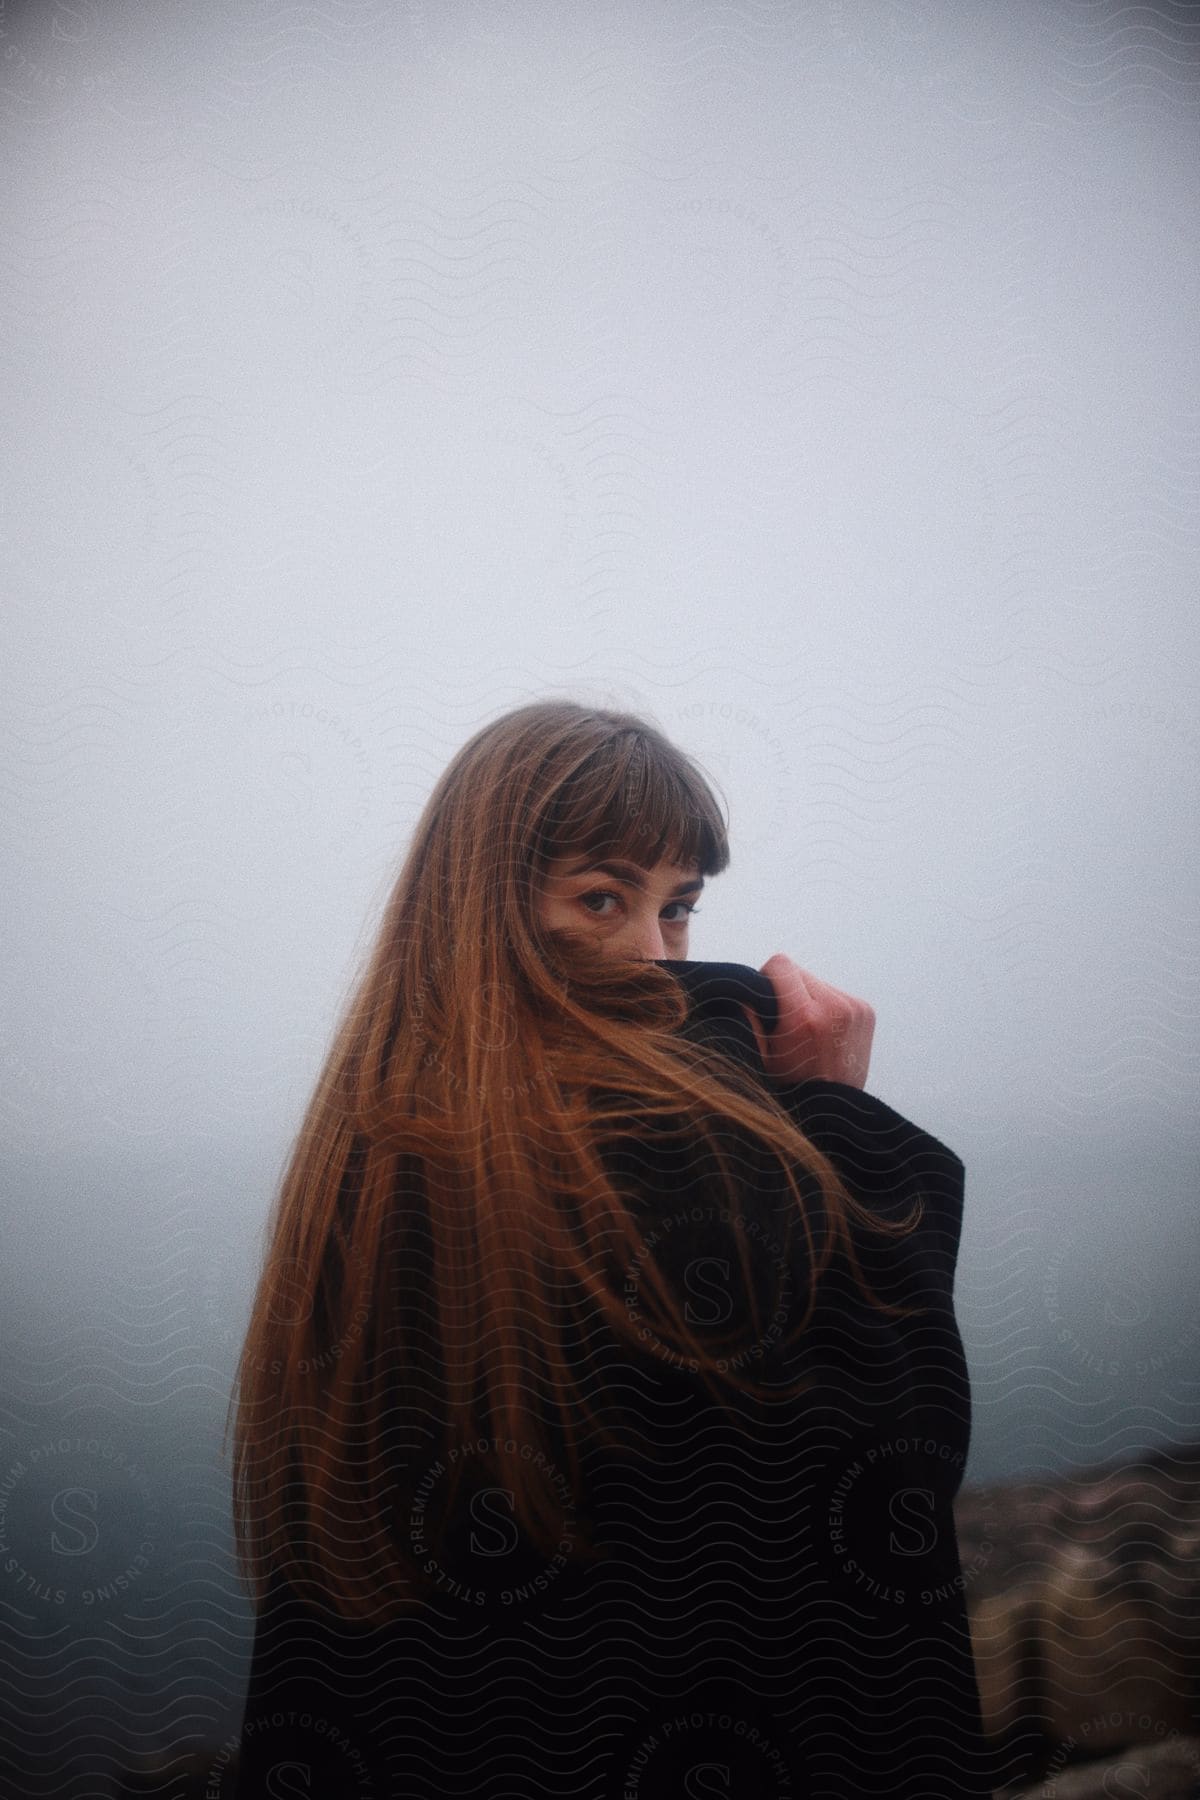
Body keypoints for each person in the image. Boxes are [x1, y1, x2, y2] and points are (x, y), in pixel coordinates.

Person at [222, 699, 995, 1798]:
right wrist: (831, 1125)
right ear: (482, 911)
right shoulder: (666, 1150)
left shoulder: (376, 1149)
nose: (653, 953)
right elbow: (871, 1479)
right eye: (601, 895)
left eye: (677, 908)